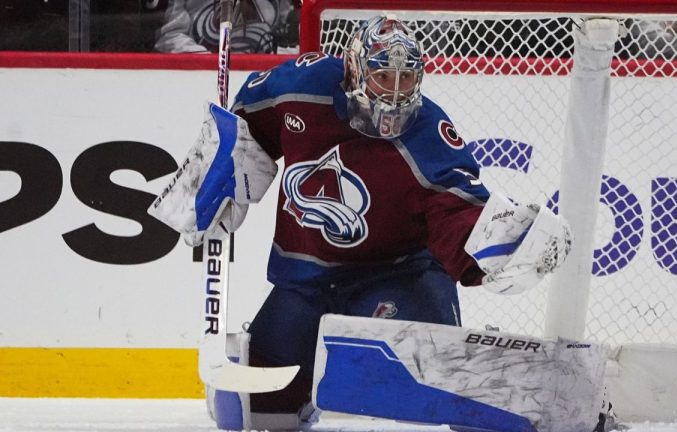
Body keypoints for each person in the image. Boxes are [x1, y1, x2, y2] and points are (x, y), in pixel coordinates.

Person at [148, 15, 572, 431]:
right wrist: (216, 171)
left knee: (436, 386)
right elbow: (247, 120)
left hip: (398, 277)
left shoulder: (429, 136)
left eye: (406, 79)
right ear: (354, 68)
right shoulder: (301, 87)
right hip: (305, 281)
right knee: (252, 410)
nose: (395, 92)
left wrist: (497, 245)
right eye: (383, 76)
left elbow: (457, 213)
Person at [154, 0, 297, 54]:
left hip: (263, 79)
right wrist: (207, 63)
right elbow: (170, 37)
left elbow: (283, 30)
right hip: (199, 81)